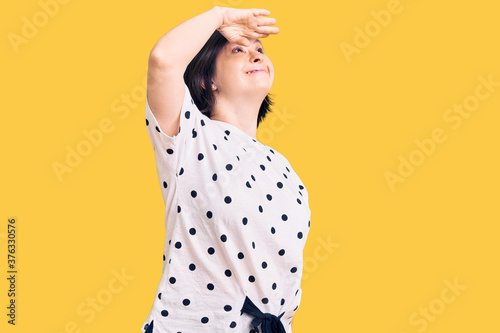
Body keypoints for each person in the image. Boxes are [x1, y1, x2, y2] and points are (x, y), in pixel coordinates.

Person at [141, 6, 311, 333]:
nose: (255, 55)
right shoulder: (189, 136)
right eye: (237, 50)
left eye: (259, 50)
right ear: (208, 80)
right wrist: (221, 18)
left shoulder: (284, 169)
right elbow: (163, 60)